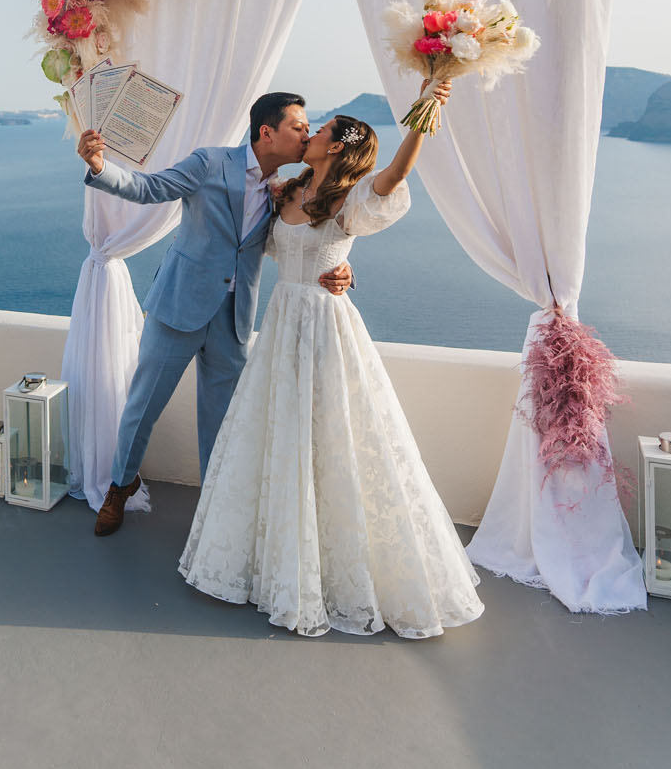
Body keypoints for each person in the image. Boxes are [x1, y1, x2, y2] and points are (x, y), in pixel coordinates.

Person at [178, 82, 484, 638]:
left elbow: (394, 175)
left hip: (325, 329)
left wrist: (423, 112)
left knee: (332, 436)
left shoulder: (349, 201)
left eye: (320, 130)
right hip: (280, 328)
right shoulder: (288, 192)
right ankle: (281, 563)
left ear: (338, 147)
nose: (312, 130)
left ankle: (331, 569)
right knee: (282, 437)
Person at [77, 92, 352, 537]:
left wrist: (341, 268)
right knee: (143, 406)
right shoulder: (210, 162)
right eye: (299, 127)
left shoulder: (287, 192)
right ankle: (119, 487)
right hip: (179, 307)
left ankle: (215, 507)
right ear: (267, 132)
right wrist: (99, 167)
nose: (306, 133)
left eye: (309, 129)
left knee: (224, 422)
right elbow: (150, 189)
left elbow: (306, 242)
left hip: (234, 319)